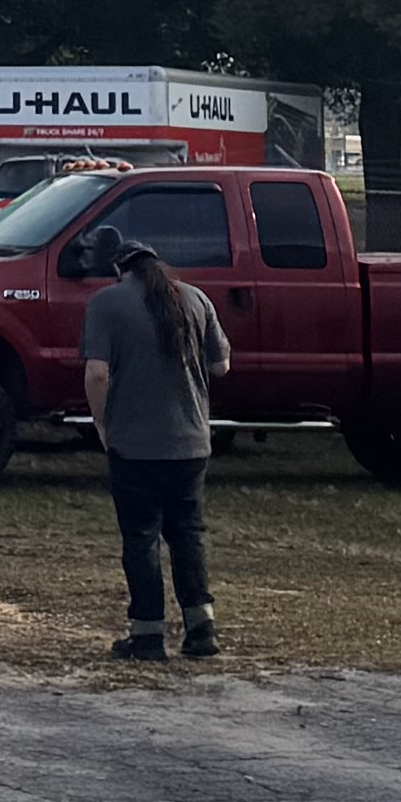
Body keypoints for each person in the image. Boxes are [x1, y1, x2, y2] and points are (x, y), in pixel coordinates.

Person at [78, 239, 230, 659]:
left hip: (135, 445)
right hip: (191, 443)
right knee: (187, 535)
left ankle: (147, 635)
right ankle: (202, 630)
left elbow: (96, 374)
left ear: (119, 270)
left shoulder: (106, 304)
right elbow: (221, 365)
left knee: (141, 539)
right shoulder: (196, 299)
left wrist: (101, 422)